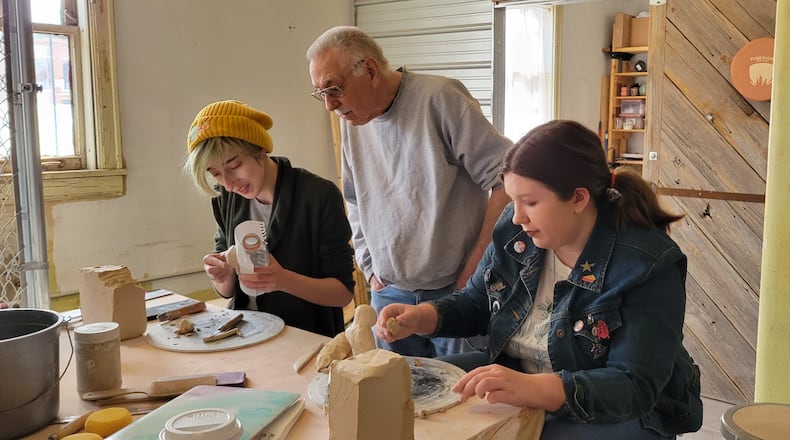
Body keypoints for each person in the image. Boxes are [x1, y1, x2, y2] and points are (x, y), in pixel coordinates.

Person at [375, 120, 703, 438]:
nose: (517, 216)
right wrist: (425, 316)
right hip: (521, 372)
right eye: (514, 200)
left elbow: (634, 386)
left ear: (578, 198)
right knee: (406, 390)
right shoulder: (516, 230)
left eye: (530, 202)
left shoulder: (647, 265)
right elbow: (479, 300)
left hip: (623, 408)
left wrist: (532, 388)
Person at [306, 26, 512, 357]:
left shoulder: (440, 98)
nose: (330, 105)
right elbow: (355, 198)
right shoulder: (352, 122)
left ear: (370, 70)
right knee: (392, 400)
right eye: (321, 93)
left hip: (455, 294)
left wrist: (475, 268)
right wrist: (370, 266)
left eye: (334, 88)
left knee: (457, 402)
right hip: (388, 293)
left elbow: (507, 181)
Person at [183, 100, 355, 337]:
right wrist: (222, 276)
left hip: (307, 337)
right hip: (245, 334)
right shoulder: (225, 198)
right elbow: (227, 290)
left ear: (260, 149)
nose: (229, 184)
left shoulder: (318, 196)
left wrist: (283, 280)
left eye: (234, 166)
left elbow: (343, 293)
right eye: (216, 174)